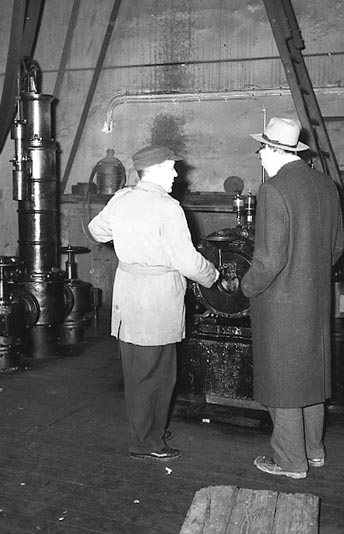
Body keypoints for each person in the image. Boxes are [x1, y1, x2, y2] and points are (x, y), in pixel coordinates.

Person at [88, 145, 220, 461]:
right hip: (156, 298)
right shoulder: (167, 208)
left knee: (138, 370)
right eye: (171, 167)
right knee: (157, 374)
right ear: (156, 169)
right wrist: (213, 276)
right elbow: (187, 262)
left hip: (128, 293)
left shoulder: (122, 199)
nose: (176, 174)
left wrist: (129, 237)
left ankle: (150, 429)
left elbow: (96, 231)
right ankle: (147, 442)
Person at [241, 117, 344, 479]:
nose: (259, 157)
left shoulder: (274, 190)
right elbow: (337, 246)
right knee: (310, 377)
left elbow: (269, 261)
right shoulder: (326, 185)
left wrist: (245, 287)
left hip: (281, 305)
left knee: (282, 381)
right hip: (315, 300)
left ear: (273, 150)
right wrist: (308, 273)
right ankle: (314, 451)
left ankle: (290, 462)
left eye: (260, 150)